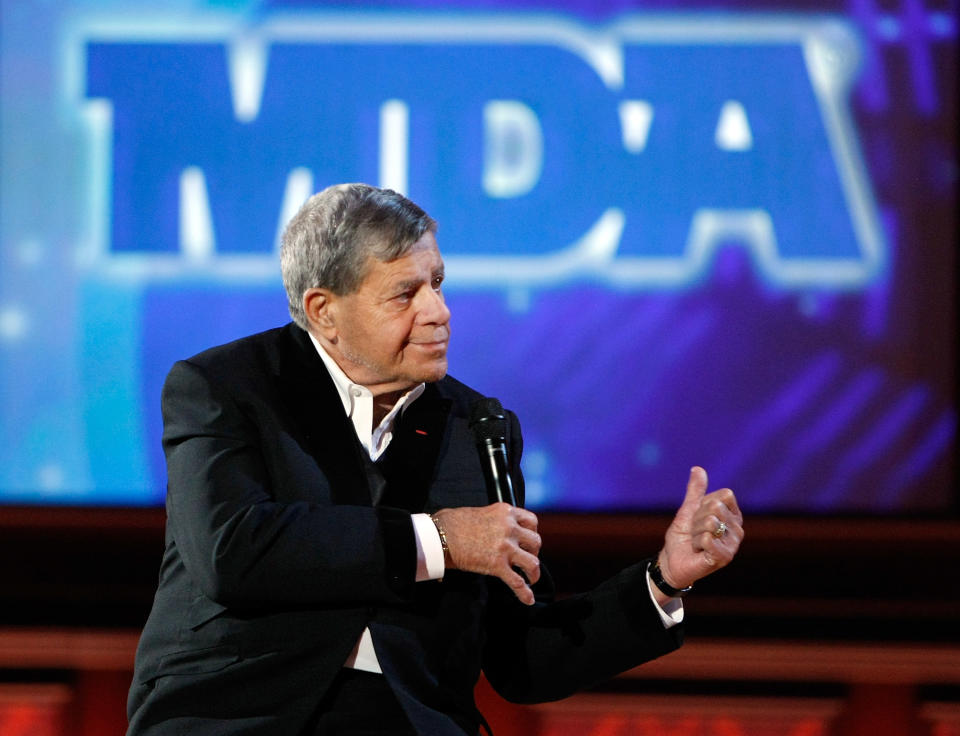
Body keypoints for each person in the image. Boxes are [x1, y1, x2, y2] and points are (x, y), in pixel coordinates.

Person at [126, 183, 743, 736]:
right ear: (324, 312)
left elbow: (523, 656)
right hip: (239, 714)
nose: (439, 313)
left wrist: (663, 580)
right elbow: (233, 551)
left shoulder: (477, 426)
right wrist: (439, 541)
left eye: (438, 284)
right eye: (404, 294)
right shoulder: (226, 387)